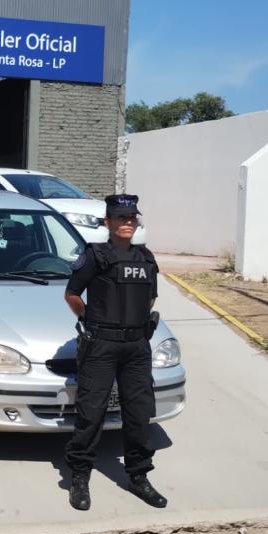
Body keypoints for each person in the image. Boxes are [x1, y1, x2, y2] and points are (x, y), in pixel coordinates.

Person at [63, 193, 167, 511]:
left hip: (137, 347)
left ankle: (138, 476)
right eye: (121, 218)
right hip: (101, 345)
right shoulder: (96, 255)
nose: (128, 222)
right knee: (90, 413)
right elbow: (72, 294)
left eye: (132, 217)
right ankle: (79, 477)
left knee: (138, 415)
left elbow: (150, 299)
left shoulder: (146, 258)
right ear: (107, 223)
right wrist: (91, 321)